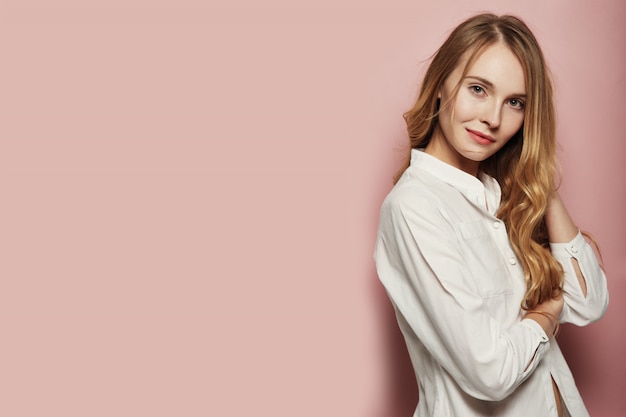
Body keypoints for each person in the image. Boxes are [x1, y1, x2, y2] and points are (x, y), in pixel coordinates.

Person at [374, 13, 609, 417]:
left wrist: (537, 179)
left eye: (515, 102)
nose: (494, 119)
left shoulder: (500, 196)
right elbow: (491, 372)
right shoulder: (415, 207)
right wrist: (549, 310)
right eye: (478, 89)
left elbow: (589, 303)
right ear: (441, 86)